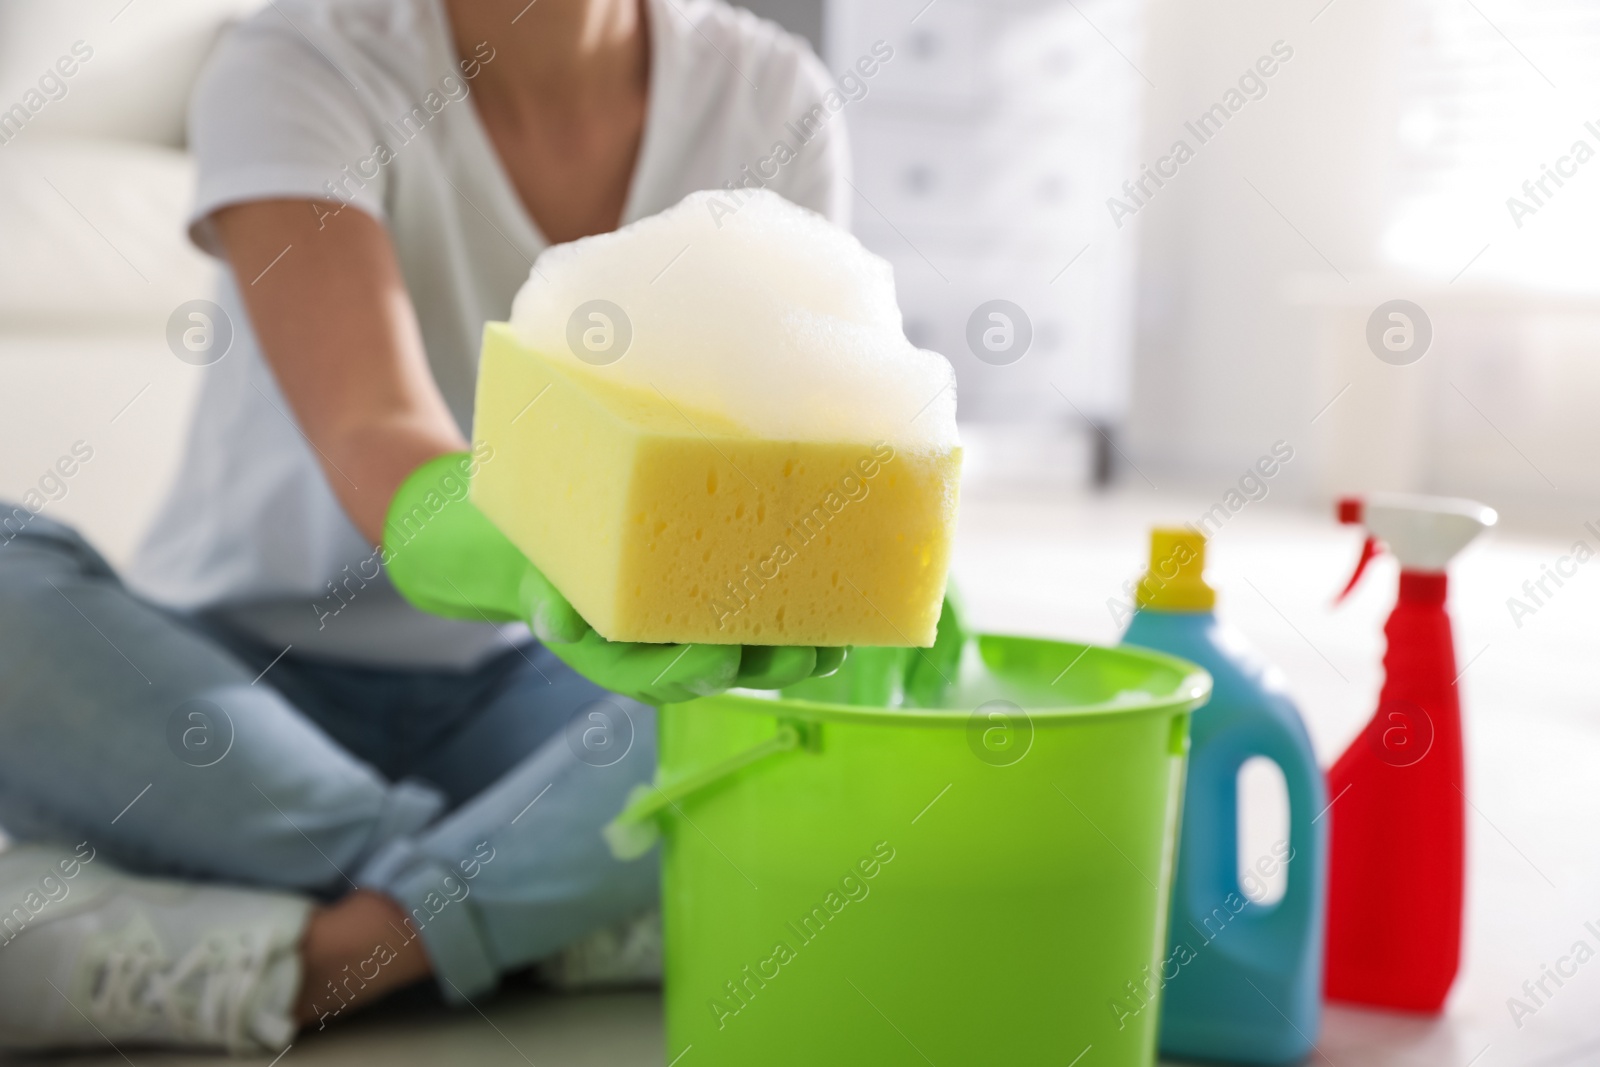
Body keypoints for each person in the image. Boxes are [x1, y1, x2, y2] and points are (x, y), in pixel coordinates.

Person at [0, 0, 850, 1051]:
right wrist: (551, 562)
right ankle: (537, 900)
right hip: (238, 687)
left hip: (538, 702)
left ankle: (307, 956)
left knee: (812, 678)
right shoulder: (299, 56)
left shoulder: (773, 96)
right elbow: (374, 426)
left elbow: (784, 461)